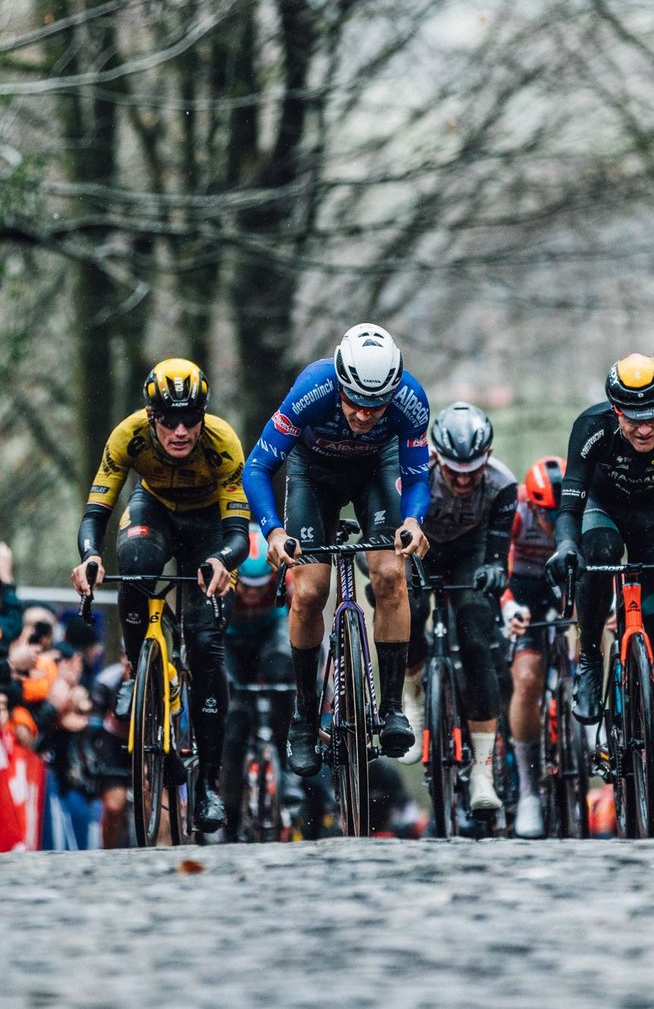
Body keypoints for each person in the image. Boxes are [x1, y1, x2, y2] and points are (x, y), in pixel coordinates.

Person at [242, 323, 431, 776]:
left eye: (376, 405)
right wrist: (271, 531)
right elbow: (258, 466)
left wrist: (412, 521)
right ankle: (305, 721)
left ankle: (390, 709)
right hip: (314, 474)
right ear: (340, 383)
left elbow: (419, 475)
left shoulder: (411, 399)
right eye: (355, 403)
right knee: (308, 592)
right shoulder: (312, 388)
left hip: (375, 470)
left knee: (389, 574)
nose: (365, 415)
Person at [70, 359, 250, 833]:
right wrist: (90, 556)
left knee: (207, 645)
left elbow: (238, 532)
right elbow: (96, 512)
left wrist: (223, 561)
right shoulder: (127, 435)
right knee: (134, 566)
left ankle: (207, 783)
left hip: (210, 524)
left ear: (202, 415)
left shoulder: (223, 443)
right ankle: (137, 670)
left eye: (190, 418)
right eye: (168, 419)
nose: (179, 430)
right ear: (151, 417)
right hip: (155, 511)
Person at [545, 353, 654, 826]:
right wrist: (565, 547)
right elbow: (570, 505)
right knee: (597, 549)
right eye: (632, 419)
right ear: (615, 411)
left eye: (653, 417)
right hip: (602, 513)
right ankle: (589, 660)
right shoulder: (591, 427)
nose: (644, 429)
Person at [398, 402, 517, 820]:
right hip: (421, 549)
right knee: (405, 609)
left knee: (476, 638)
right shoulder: (413, 474)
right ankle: (412, 692)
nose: (464, 479)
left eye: (473, 470)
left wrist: (494, 570)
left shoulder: (503, 485)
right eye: (454, 470)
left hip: (470, 553)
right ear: (437, 458)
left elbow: (499, 553)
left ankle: (483, 772)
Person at [502, 455, 566, 838]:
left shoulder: (580, 505)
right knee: (527, 678)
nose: (553, 524)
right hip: (521, 588)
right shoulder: (516, 510)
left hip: (560, 582)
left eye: (561, 516)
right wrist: (507, 606)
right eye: (547, 515)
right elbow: (496, 564)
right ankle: (528, 792)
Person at [220, 526, 296, 842]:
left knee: (283, 670)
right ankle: (230, 813)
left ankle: (284, 751)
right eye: (245, 587)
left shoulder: (284, 578)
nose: (251, 594)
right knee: (236, 721)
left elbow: (300, 624)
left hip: (270, 633)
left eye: (259, 585)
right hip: (231, 642)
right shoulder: (224, 582)